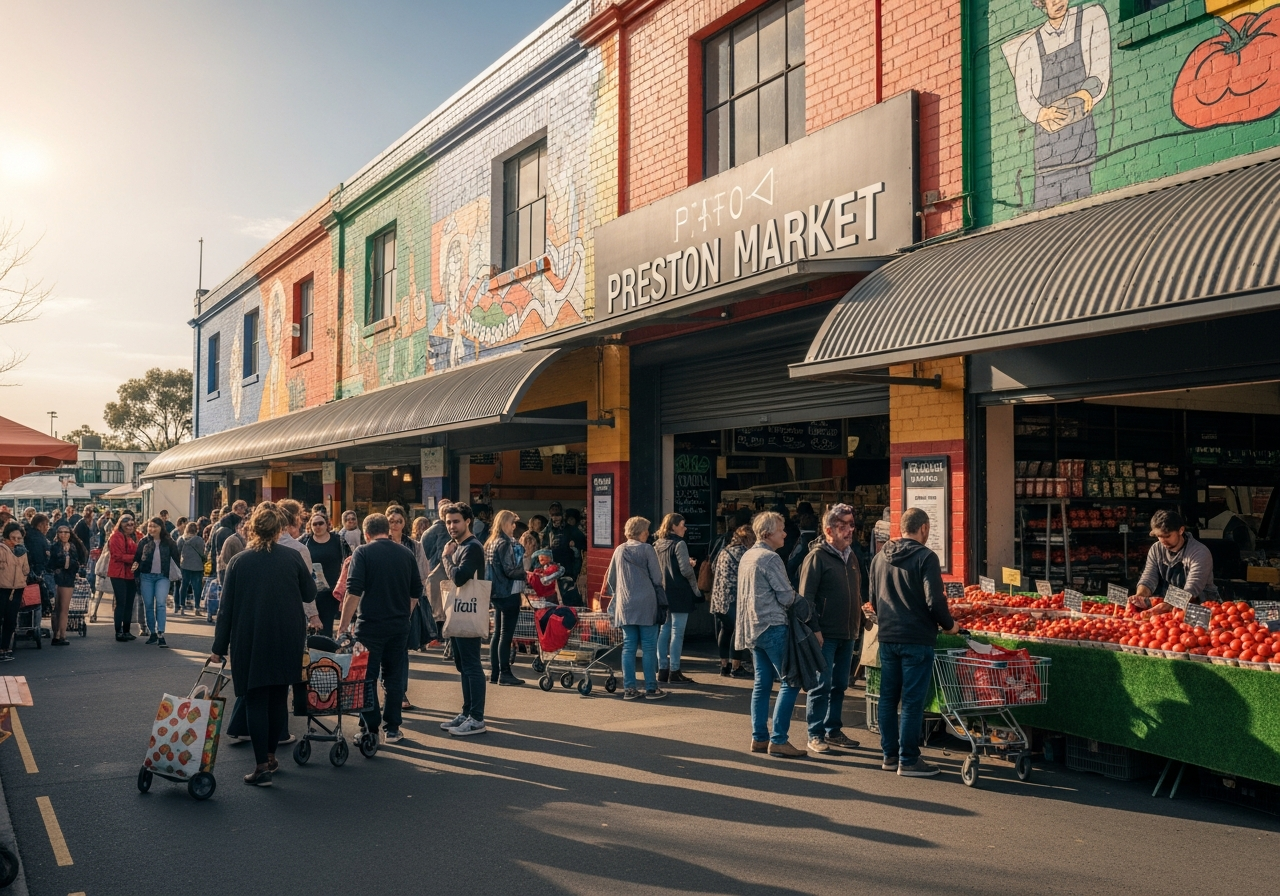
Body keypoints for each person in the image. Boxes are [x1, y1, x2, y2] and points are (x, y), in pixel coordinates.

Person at [209, 504, 317, 787]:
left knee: (255, 699)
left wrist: (218, 646)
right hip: (287, 636)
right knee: (278, 697)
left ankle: (260, 766)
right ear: (280, 529)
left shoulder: (240, 562)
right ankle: (270, 756)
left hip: (251, 637)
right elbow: (309, 592)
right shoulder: (293, 557)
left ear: (252, 530)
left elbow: (226, 609)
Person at [870, 506, 960, 778]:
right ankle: (908, 759)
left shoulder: (879, 558)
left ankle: (890, 755)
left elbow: (874, 600)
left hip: (888, 637)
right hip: (917, 638)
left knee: (887, 698)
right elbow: (935, 601)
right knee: (911, 700)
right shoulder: (926, 557)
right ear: (923, 528)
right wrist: (950, 625)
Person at [338, 512, 421, 745]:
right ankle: (393, 728)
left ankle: (369, 727)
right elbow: (416, 590)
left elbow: (353, 591)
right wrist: (406, 612)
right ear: (388, 529)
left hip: (368, 626)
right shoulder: (406, 553)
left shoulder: (362, 553)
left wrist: (343, 626)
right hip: (399, 625)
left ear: (366, 533)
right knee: (394, 678)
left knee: (365, 676)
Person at [735, 511, 806, 758]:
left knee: (762, 684)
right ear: (767, 534)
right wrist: (802, 601)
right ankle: (779, 739)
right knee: (791, 680)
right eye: (780, 529)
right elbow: (786, 596)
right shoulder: (770, 558)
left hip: (752, 627)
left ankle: (759, 738)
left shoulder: (748, 555)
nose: (785, 533)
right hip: (772, 625)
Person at [799, 504, 866, 755]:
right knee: (821, 684)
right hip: (824, 633)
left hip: (847, 632)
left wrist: (862, 614)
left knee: (840, 684)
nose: (849, 530)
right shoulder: (816, 557)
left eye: (851, 525)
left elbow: (857, 591)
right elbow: (806, 598)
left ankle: (833, 730)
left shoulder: (851, 556)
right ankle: (815, 734)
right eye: (843, 526)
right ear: (829, 530)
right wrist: (814, 628)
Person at [604, 516, 668, 701]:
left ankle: (629, 689)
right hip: (647, 603)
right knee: (649, 646)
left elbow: (611, 579)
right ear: (640, 532)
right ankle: (651, 688)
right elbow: (657, 578)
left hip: (625, 604)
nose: (648, 534)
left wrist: (623, 591)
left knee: (628, 646)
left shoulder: (619, 549)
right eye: (646, 531)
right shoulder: (647, 549)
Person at [439, 502, 489, 736]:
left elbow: (459, 578)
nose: (451, 526)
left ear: (468, 521)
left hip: (468, 611)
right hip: (460, 610)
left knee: (471, 665)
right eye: (448, 522)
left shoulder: (472, 547)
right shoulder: (458, 546)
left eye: (456, 521)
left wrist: (447, 559)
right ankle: (467, 712)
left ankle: (477, 718)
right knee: (462, 665)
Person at [386, 505, 429, 710]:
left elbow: (422, 574)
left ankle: (400, 693)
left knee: (401, 652)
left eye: (398, 521)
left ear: (405, 523)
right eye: (391, 521)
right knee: (379, 653)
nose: (394, 525)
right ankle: (385, 691)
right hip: (382, 603)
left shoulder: (414, 546)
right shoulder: (377, 542)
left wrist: (412, 602)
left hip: (406, 604)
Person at [1133, 509, 1217, 611]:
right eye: (1159, 536)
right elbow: (1149, 577)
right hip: (1168, 609)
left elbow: (1192, 589)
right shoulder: (1156, 549)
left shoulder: (1199, 552)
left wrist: (1167, 606)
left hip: (1201, 608)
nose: (1163, 541)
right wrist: (1139, 596)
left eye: (1167, 536)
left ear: (1181, 530)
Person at [653, 512, 700, 684]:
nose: (685, 528)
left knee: (664, 631)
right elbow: (685, 570)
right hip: (680, 592)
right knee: (677, 633)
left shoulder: (657, 544)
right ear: (673, 526)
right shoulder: (679, 544)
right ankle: (675, 670)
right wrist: (691, 564)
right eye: (682, 525)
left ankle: (662, 669)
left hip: (663, 592)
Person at [484, 509, 527, 686]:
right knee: (506, 635)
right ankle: (505, 673)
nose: (514, 526)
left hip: (495, 592)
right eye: (512, 523)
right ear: (504, 523)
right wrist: (526, 574)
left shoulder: (491, 542)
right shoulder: (504, 543)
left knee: (497, 634)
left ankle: (495, 673)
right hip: (508, 592)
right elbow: (509, 570)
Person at [710, 524, 754, 678]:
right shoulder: (745, 552)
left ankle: (724, 666)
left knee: (725, 630)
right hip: (736, 598)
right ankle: (736, 666)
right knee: (738, 632)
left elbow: (714, 567)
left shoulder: (724, 551)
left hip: (719, 599)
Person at [132, 518, 179, 648]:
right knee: (148, 605)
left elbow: (176, 558)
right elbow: (136, 559)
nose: (152, 529)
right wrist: (136, 576)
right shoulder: (143, 542)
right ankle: (152, 632)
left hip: (162, 577)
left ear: (161, 528)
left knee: (160, 604)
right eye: (150, 526)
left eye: (155, 526)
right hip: (146, 576)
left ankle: (161, 633)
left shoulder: (169, 542)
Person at [301, 511, 347, 637]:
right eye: (314, 524)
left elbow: (348, 561)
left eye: (321, 523)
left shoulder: (338, 541)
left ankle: (324, 655)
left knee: (326, 627)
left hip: (332, 591)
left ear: (327, 524)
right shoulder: (305, 541)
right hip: (311, 591)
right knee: (311, 628)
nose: (318, 526)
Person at [48, 524, 86, 646]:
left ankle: (62, 635)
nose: (64, 534)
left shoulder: (73, 547)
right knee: (56, 609)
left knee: (64, 608)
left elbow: (75, 565)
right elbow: (52, 564)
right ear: (57, 534)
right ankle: (57, 635)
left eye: (66, 532)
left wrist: (68, 559)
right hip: (56, 578)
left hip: (67, 579)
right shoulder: (54, 547)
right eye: (61, 532)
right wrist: (65, 560)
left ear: (70, 534)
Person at [0, 522, 31, 662]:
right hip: (2, 588)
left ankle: (4, 648)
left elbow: (26, 570)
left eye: (19, 538)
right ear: (7, 536)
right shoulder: (1, 549)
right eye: (13, 538)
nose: (16, 541)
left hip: (17, 589)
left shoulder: (22, 551)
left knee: (11, 620)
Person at [108, 514, 139, 641]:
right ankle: (118, 631)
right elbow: (118, 556)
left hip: (130, 573)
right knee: (121, 602)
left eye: (131, 524)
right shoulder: (116, 536)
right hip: (119, 573)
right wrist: (135, 559)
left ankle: (126, 630)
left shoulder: (135, 536)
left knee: (129, 603)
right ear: (120, 524)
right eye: (126, 523)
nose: (129, 526)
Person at [23, 514, 52, 615]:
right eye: (46, 525)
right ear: (40, 525)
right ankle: (36, 627)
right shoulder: (37, 538)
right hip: (36, 574)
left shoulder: (29, 535)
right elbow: (39, 558)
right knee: (36, 604)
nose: (47, 527)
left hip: (29, 573)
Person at [176, 522, 207, 615]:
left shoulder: (181, 539)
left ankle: (182, 606)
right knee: (197, 587)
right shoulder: (199, 540)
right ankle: (197, 608)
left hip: (185, 565)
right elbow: (202, 551)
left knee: (184, 586)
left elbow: (178, 552)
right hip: (197, 566)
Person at [209, 510, 242, 582]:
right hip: (226, 565)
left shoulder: (218, 531)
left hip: (219, 563)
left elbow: (213, 549)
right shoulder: (228, 533)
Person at [218, 515, 247, 584]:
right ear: (236, 526)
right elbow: (226, 558)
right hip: (229, 571)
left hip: (228, 570)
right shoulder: (232, 538)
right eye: (241, 524)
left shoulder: (236, 538)